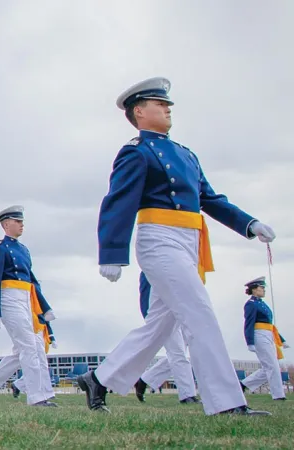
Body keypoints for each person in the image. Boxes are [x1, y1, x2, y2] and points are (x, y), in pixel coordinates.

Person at [83, 77, 276, 416]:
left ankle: (99, 379)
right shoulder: (137, 152)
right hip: (159, 239)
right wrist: (112, 252)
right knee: (199, 313)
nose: (168, 108)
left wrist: (249, 223)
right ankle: (227, 403)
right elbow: (117, 201)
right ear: (139, 112)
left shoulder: (186, 154)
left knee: (161, 323)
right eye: (160, 104)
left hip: (189, 241)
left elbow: (210, 199)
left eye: (168, 104)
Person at [0, 206, 57, 407]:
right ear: (5, 224)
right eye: (17, 221)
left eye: (22, 221)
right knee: (29, 346)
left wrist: (44, 307)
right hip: (9, 298)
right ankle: (37, 397)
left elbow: (32, 281)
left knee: (33, 346)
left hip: (27, 299)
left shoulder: (24, 250)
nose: (22, 224)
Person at [132, 273, 199, 403]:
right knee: (178, 354)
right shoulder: (154, 266)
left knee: (178, 355)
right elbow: (148, 296)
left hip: (181, 313)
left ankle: (145, 380)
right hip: (162, 316)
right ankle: (187, 395)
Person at [241, 277, 287, 401]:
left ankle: (243, 384)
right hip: (259, 335)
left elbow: (270, 325)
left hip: (268, 334)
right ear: (254, 290)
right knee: (272, 366)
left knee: (270, 366)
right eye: (261, 288)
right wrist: (250, 341)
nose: (263, 290)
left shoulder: (261, 303)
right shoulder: (251, 304)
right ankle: (278, 395)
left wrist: (280, 339)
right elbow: (249, 323)